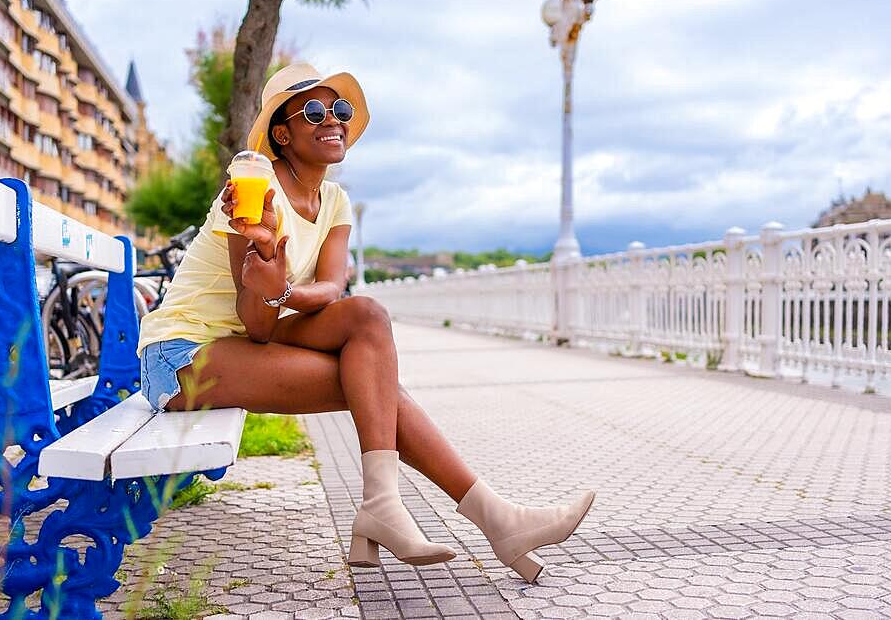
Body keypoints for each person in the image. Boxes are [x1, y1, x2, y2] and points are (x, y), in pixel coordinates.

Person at [135, 63, 595, 582]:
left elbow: (332, 290)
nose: (332, 119)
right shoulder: (253, 190)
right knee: (369, 385)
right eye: (312, 110)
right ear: (281, 134)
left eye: (340, 109)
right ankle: (484, 517)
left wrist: (281, 287)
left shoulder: (335, 200)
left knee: (368, 316)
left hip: (244, 336)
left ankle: (394, 506)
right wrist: (264, 263)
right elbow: (258, 324)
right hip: (181, 354)